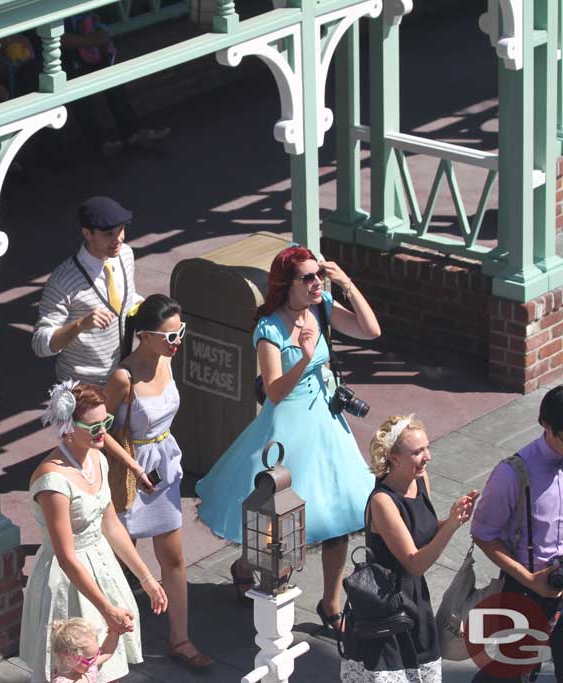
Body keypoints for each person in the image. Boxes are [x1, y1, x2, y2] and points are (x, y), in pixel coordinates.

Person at [195, 245, 381, 630]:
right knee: (273, 522)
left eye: (319, 275)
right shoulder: (269, 329)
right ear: (286, 284)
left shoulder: (323, 305)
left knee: (340, 515)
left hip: (326, 427)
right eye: (308, 278)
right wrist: (304, 356)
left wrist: (345, 284)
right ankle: (245, 566)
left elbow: (370, 330)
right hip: (287, 431)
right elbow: (275, 392)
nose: (317, 283)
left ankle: (330, 604)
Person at [20, 381, 167, 683]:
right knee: (74, 671)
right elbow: (66, 557)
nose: (102, 432)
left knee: (106, 668)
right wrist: (106, 608)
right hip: (68, 581)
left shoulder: (97, 457)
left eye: (106, 422)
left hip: (102, 564)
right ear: (68, 426)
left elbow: (111, 525)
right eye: (93, 426)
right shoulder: (53, 481)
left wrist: (146, 577)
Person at [102, 294, 211, 669]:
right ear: (144, 336)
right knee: (118, 562)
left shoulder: (166, 361)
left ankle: (180, 639)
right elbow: (98, 431)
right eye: (169, 336)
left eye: (180, 332)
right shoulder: (122, 377)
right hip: (132, 471)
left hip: (164, 465)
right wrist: (133, 466)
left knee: (174, 558)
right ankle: (109, 642)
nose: (177, 341)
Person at [340, 415, 479, 683]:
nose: (427, 457)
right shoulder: (383, 502)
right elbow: (414, 562)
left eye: (427, 448)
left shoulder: (420, 480)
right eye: (417, 452)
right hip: (387, 605)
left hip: (416, 601)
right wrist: (450, 527)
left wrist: (452, 518)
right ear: (393, 457)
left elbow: (421, 532)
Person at [471, 386, 563, 683]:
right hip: (528, 589)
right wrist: (531, 580)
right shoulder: (512, 474)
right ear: (547, 426)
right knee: (515, 674)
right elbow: (484, 534)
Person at [32, 196, 142, 387]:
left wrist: (151, 308)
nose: (119, 239)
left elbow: (127, 299)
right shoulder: (62, 281)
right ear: (87, 233)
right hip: (84, 390)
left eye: (122, 229)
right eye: (108, 233)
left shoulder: (125, 254)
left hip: (124, 378)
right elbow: (40, 344)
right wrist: (80, 325)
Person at [61, 13, 170, 158]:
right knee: (78, 93)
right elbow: (61, 41)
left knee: (113, 79)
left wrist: (97, 36)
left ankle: (133, 133)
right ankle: (101, 144)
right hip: (64, 57)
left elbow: (99, 25)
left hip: (89, 46)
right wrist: (91, 40)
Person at [48, 618, 122, 683]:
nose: (94, 660)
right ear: (69, 660)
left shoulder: (88, 667)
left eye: (96, 655)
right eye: (90, 658)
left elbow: (106, 651)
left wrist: (115, 631)